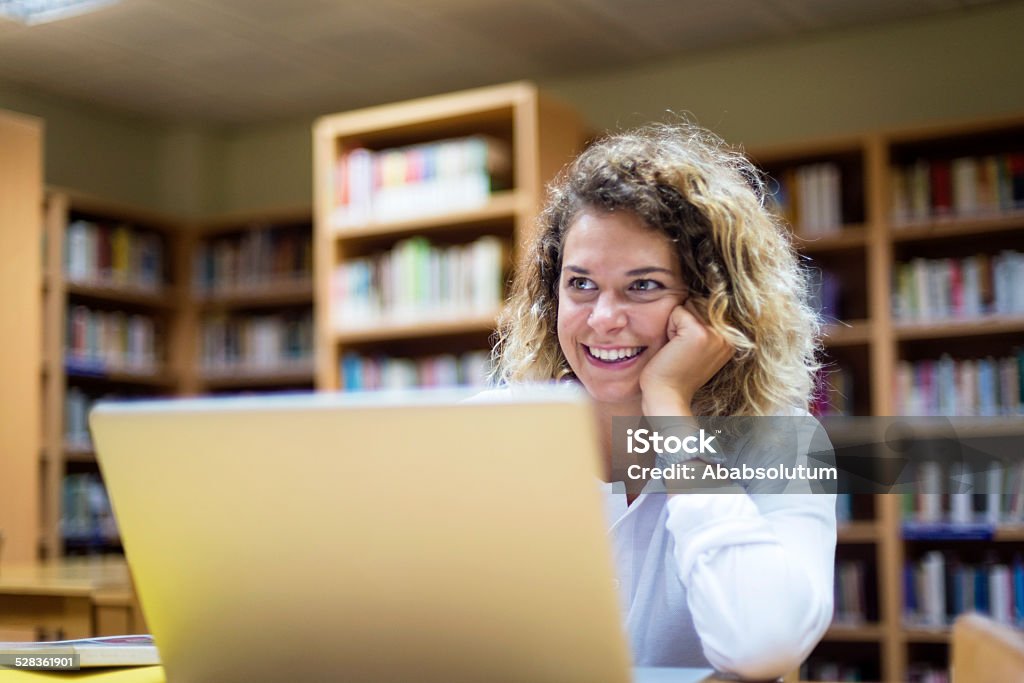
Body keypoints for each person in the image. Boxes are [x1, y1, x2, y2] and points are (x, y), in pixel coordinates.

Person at [489, 121, 836, 679]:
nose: (603, 319)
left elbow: (762, 646)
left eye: (643, 285)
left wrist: (669, 406)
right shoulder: (493, 433)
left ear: (714, 303)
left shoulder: (782, 442)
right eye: (580, 284)